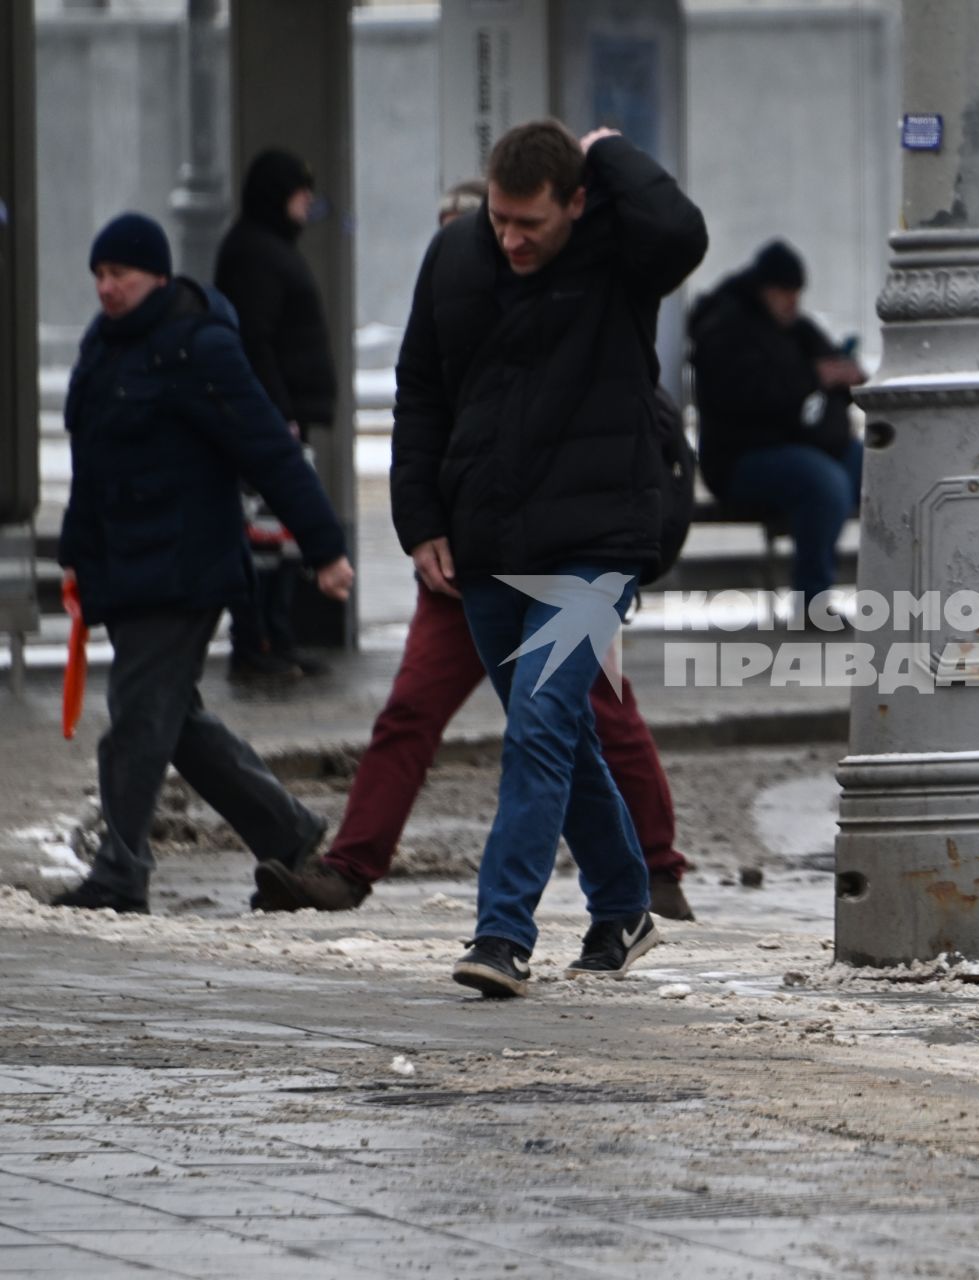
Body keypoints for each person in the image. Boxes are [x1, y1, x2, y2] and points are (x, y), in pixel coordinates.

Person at [252, 181, 697, 923]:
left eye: (513, 231)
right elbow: (415, 412)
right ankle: (351, 867)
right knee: (413, 714)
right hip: (463, 567)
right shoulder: (452, 335)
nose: (497, 250)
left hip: (560, 566)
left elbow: (644, 442)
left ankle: (639, 880)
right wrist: (422, 526)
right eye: (480, 233)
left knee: (592, 719)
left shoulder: (583, 326)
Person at [390, 119, 707, 998]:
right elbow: (419, 392)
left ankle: (502, 936)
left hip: (597, 543)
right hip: (486, 539)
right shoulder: (455, 256)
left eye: (530, 221)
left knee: (534, 728)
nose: (511, 238)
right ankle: (622, 905)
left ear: (575, 202)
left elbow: (682, 232)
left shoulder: (619, 255)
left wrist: (608, 150)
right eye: (499, 219)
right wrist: (420, 521)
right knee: (556, 728)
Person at [50, 212, 354, 914]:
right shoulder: (103, 347)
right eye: (98, 275)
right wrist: (77, 559)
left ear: (155, 275)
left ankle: (119, 873)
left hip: (184, 567)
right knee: (170, 718)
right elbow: (91, 469)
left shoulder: (197, 346)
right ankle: (287, 828)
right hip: (126, 567)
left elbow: (268, 449)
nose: (106, 287)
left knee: (135, 716)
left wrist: (325, 547)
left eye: (119, 274)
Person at [689, 239, 866, 615]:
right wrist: (813, 377)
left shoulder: (793, 328)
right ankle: (812, 600)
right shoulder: (725, 329)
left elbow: (826, 366)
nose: (792, 302)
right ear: (764, 289)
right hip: (742, 459)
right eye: (785, 293)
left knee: (880, 470)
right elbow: (749, 396)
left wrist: (843, 375)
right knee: (823, 485)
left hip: (808, 447)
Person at [214, 149, 339, 681]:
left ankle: (277, 638)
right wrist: (277, 412)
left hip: (282, 418)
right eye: (299, 191)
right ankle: (258, 641)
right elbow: (256, 339)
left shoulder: (268, 248)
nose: (308, 201)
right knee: (265, 541)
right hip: (272, 422)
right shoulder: (256, 252)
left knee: (280, 537)